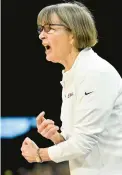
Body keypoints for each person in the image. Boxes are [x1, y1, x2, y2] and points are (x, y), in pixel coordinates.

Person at [21, 1, 122, 175]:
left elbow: (82, 144)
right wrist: (56, 137)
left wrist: (39, 154)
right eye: (40, 30)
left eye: (49, 28)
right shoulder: (72, 75)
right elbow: (77, 146)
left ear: (72, 34)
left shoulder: (95, 72)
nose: (41, 36)